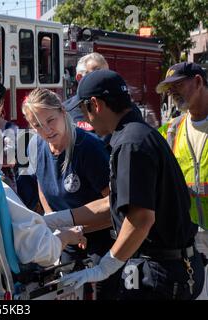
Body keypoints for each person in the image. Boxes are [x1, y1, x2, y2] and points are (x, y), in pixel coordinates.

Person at [57, 69, 205, 299]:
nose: (84, 119)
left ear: (95, 104)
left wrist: (104, 267)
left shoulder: (130, 143)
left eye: (84, 110)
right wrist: (57, 219)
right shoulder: (138, 134)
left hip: (159, 272)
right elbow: (117, 203)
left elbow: (140, 219)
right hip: (167, 267)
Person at [21, 88, 117, 299]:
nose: (46, 130)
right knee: (66, 292)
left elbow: (114, 203)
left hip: (100, 238)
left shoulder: (88, 148)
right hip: (66, 236)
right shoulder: (36, 145)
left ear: (63, 112)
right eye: (37, 125)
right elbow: (42, 185)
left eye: (50, 120)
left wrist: (80, 227)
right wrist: (54, 222)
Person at [0, 119, 87, 266]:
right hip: (5, 276)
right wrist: (68, 237)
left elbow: (18, 224)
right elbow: (42, 251)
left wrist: (54, 222)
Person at [156, 62, 208, 297]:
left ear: (198, 82)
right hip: (189, 242)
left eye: (178, 84)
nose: (172, 92)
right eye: (169, 88)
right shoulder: (170, 130)